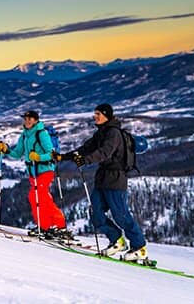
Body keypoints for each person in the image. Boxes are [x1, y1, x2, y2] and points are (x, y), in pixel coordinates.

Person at [57, 104, 147, 261]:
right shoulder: (101, 133)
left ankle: (139, 247)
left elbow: (104, 153)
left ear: (106, 115)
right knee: (96, 213)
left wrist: (85, 160)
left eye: (98, 114)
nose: (95, 116)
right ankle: (117, 240)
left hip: (116, 179)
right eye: (95, 113)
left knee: (121, 215)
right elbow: (85, 148)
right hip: (102, 178)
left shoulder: (113, 133)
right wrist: (64, 157)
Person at [0, 110, 69, 239]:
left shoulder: (42, 134)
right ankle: (44, 225)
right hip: (33, 172)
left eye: (30, 118)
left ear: (36, 120)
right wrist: (7, 150)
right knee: (35, 197)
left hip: (45, 170)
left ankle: (59, 224)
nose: (28, 120)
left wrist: (38, 157)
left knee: (39, 195)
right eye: (26, 118)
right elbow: (18, 153)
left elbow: (51, 154)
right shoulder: (24, 135)